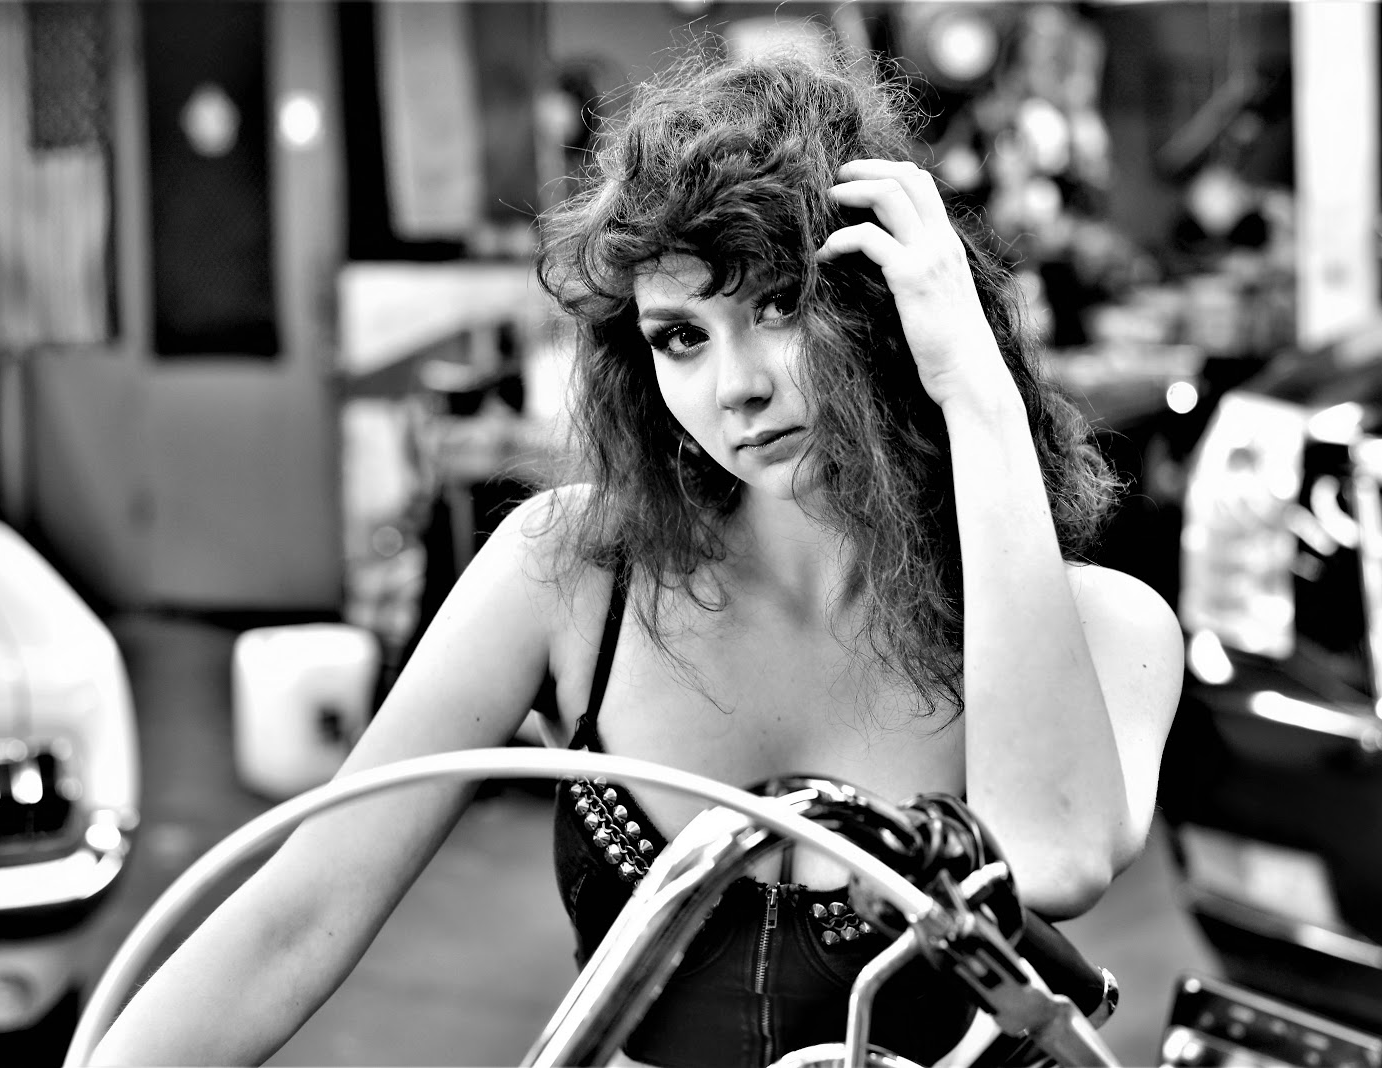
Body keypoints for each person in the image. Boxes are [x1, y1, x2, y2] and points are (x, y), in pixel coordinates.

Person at [93, 43, 1181, 1068]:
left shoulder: (1107, 629)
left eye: (780, 305)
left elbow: (1052, 856)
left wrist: (975, 391)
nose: (736, 387)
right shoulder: (573, 572)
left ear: (888, 303)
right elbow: (300, 916)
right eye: (682, 337)